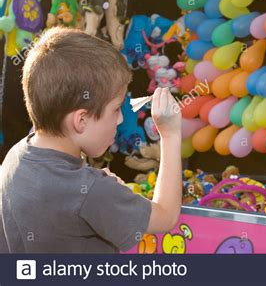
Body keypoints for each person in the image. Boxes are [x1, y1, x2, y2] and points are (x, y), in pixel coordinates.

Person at [0, 27, 182, 253]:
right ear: (81, 120)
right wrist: (170, 135)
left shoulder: (15, 156)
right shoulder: (92, 191)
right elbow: (166, 216)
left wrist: (95, 187)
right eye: (116, 109)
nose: (121, 119)